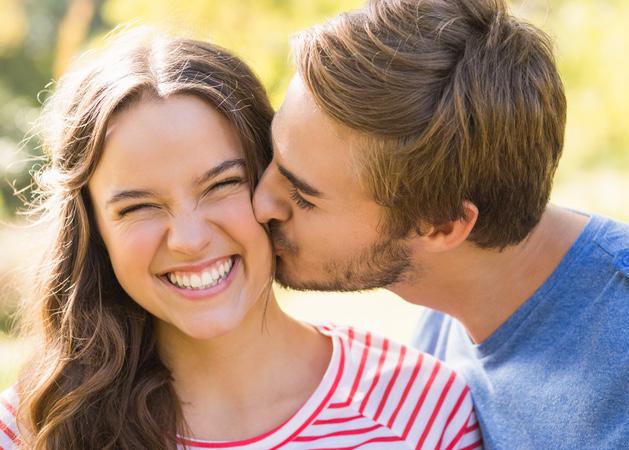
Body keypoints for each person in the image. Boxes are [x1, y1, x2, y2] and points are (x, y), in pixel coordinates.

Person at [251, 0, 629, 448]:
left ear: (442, 226)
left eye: (302, 195)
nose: (260, 203)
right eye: (274, 155)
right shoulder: (448, 303)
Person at [0, 29, 482, 449]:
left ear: (273, 181)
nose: (188, 239)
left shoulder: (423, 412)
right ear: (95, 231)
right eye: (138, 207)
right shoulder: (30, 428)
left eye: (221, 185)